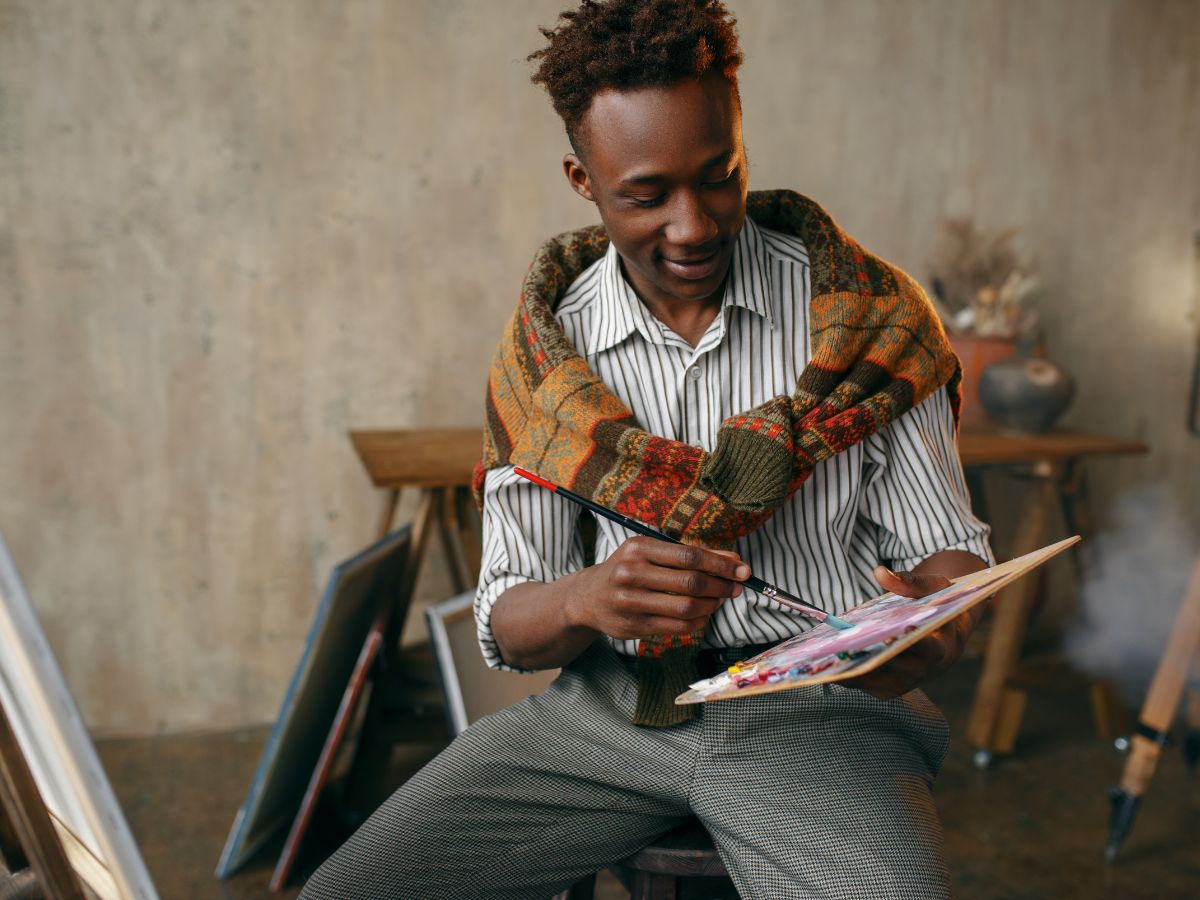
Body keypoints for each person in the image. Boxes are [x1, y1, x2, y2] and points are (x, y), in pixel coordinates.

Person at [301, 1, 992, 897]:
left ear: (742, 140)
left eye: (719, 176)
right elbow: (506, 622)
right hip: (606, 717)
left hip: (818, 716)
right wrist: (589, 598)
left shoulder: (870, 322)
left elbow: (948, 561)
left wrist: (937, 624)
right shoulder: (546, 358)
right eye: (646, 194)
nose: (694, 224)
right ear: (582, 178)